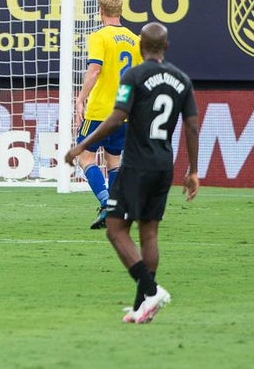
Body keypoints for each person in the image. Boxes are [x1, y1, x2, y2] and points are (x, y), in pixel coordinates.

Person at [65, 22, 200, 325]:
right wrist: (193, 170)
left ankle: (151, 292)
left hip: (137, 165)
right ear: (166, 47)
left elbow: (116, 118)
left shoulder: (134, 75)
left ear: (140, 47)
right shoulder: (182, 80)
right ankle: (142, 307)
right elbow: (192, 125)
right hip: (164, 165)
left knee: (115, 229)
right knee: (148, 231)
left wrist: (82, 146)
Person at [74, 0, 140, 229]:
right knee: (114, 161)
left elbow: (95, 70)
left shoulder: (99, 36)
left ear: (100, 11)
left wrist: (81, 98)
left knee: (85, 157)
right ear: (121, 11)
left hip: (100, 110)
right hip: (123, 112)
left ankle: (107, 204)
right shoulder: (135, 39)